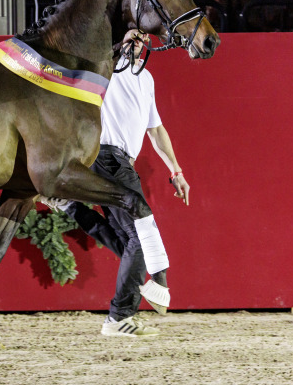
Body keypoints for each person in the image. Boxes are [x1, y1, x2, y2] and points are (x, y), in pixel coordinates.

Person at [44, 29, 189, 337]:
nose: (137, 42)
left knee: (128, 243)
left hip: (121, 162)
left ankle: (71, 206)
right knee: (140, 235)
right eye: (131, 36)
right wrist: (117, 42)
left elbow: (156, 131)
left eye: (141, 38)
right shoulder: (106, 66)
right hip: (108, 157)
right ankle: (118, 316)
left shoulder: (147, 80)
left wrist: (176, 170)